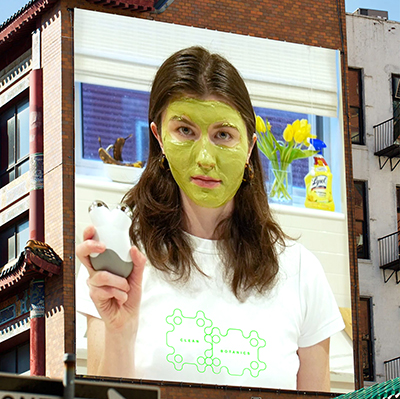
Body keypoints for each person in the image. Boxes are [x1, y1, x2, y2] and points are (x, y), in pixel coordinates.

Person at [76, 46, 344, 391]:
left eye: (223, 135)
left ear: (249, 147)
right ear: (158, 138)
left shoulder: (300, 271)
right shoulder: (120, 265)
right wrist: (119, 331)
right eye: (185, 131)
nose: (205, 158)